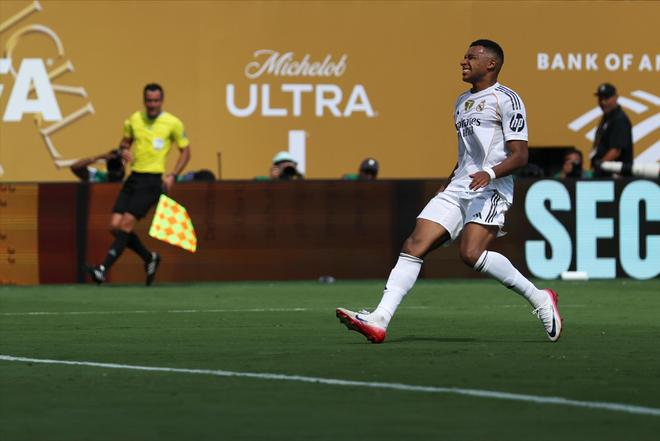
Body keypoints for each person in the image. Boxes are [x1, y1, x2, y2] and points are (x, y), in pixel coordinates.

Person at [336, 39, 562, 343]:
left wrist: (489, 173)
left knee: (471, 254)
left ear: (491, 64)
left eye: (471, 57)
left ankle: (540, 298)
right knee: (414, 244)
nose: (463, 61)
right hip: (459, 186)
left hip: (491, 187)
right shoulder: (461, 102)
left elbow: (520, 156)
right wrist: (448, 181)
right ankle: (380, 319)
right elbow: (466, 156)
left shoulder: (507, 99)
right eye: (464, 56)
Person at [87, 83, 191, 285]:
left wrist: (173, 175)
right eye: (149, 101)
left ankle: (102, 269)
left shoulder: (172, 123)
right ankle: (149, 257)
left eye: (156, 100)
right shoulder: (134, 120)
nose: (152, 104)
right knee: (114, 226)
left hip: (152, 181)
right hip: (134, 178)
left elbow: (186, 151)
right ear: (144, 101)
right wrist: (123, 150)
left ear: (162, 101)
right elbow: (125, 143)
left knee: (126, 224)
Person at [589, 83, 633, 177]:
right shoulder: (607, 118)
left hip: (616, 175)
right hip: (606, 173)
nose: (603, 102)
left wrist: (599, 166)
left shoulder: (619, 119)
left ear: (616, 97)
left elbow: (616, 150)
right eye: (600, 99)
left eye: (606, 98)